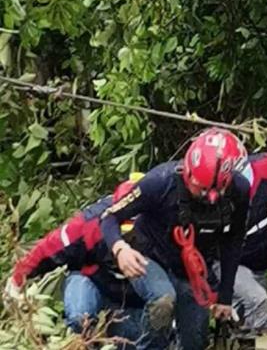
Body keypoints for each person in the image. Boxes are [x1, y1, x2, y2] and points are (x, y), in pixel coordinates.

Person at [101, 128, 251, 350]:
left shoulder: (238, 191)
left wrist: (225, 296)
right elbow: (109, 216)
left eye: (208, 191)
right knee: (163, 299)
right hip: (149, 256)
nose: (203, 196)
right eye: (197, 186)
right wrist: (120, 248)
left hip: (191, 269)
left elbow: (233, 241)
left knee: (195, 339)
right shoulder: (160, 182)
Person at [4, 175, 144, 347]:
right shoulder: (89, 224)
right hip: (92, 279)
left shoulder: (167, 221)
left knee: (143, 337)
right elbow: (49, 248)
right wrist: (17, 279)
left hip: (136, 297)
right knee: (80, 316)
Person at [228, 151, 267, 334]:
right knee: (257, 299)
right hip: (226, 263)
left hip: (260, 260)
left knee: (246, 318)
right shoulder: (206, 193)